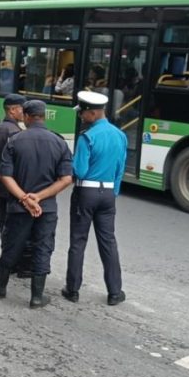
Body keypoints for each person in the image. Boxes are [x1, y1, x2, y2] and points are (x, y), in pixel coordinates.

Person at [0, 100, 73, 308]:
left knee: (12, 244)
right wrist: (39, 198)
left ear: (27, 116)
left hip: (18, 207)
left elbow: (5, 176)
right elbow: (66, 179)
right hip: (46, 208)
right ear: (44, 116)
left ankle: (1, 289)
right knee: (43, 248)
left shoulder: (15, 140)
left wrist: (24, 198)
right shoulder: (59, 142)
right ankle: (37, 297)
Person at [62, 91, 128, 306]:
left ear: (92, 112)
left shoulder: (87, 137)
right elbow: (120, 169)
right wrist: (112, 192)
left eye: (82, 113)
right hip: (108, 194)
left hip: (86, 193)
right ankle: (115, 292)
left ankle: (72, 290)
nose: (80, 116)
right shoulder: (120, 135)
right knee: (108, 242)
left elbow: (79, 171)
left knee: (78, 241)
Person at [0, 94, 27, 297]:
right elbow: (11, 164)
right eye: (21, 108)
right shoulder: (15, 133)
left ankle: (9, 259)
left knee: (4, 223)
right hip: (14, 187)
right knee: (14, 227)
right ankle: (13, 263)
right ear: (12, 110)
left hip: (2, 188)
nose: (24, 112)